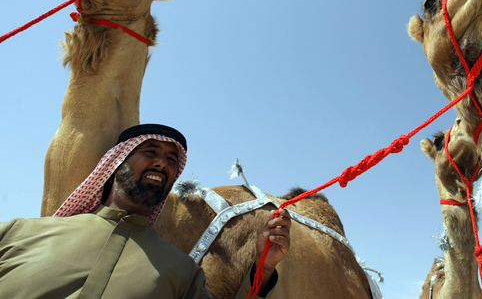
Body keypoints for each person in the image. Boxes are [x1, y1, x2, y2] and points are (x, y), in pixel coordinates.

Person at [0, 124, 291, 298]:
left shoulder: (184, 273)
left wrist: (263, 268)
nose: (162, 163)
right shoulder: (17, 233)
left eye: (171, 159)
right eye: (150, 151)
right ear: (115, 162)